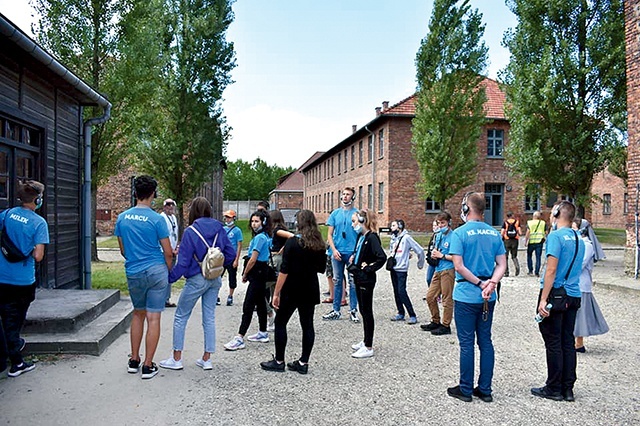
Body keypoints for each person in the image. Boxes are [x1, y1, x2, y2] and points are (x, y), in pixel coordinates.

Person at [159, 197, 236, 371]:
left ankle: (177, 358)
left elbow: (183, 263)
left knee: (181, 316)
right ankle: (207, 358)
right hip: (214, 279)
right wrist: (219, 266)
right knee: (208, 317)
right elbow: (230, 255)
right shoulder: (219, 228)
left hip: (196, 279)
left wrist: (169, 278)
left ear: (193, 211)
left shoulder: (190, 231)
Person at [447, 192, 506, 403]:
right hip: (488, 298)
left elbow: (459, 266)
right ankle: (485, 389)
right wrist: (491, 283)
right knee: (485, 341)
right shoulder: (494, 233)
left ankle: (465, 389)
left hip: (466, 294)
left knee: (466, 343)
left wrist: (481, 283)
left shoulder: (459, 233)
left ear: (466, 209)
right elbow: (502, 264)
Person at [114, 175, 173, 379]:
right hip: (156, 270)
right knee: (153, 317)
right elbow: (167, 251)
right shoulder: (157, 219)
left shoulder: (122, 217)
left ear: (135, 193)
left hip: (134, 271)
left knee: (138, 313)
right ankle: (148, 365)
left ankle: (134, 360)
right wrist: (168, 269)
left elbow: (123, 250)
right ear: (153, 194)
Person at [259, 210, 326, 373]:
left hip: (292, 287)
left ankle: (279, 360)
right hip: (310, 287)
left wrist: (276, 293)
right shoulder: (318, 244)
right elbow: (321, 268)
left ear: (299, 224)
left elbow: (284, 270)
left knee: (281, 322)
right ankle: (304, 362)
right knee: (307, 325)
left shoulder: (293, 242)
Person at [531, 200, 584, 402]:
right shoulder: (578, 237)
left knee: (553, 341)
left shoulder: (555, 237)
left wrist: (543, 299)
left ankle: (553, 387)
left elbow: (551, 270)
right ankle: (567, 387)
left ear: (556, 213)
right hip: (573, 295)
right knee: (567, 341)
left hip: (556, 294)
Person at [0, 180, 49, 377]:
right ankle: (16, 362)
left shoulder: (7, 214)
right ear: (37, 200)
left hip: (2, 276)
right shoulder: (39, 223)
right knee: (14, 320)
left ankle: (10, 350)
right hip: (22, 280)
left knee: (5, 317)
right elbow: (38, 255)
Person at [224, 210, 273, 351]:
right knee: (260, 303)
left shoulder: (260, 238)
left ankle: (240, 337)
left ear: (263, 222)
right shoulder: (264, 236)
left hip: (257, 272)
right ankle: (263, 332)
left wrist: (245, 274)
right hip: (260, 272)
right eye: (252, 221)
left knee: (248, 306)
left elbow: (253, 259)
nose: (253, 224)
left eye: (256, 221)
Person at [349, 209, 386, 359]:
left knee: (367, 311)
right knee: (363, 310)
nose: (353, 225)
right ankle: (365, 340)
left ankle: (368, 346)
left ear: (363, 221)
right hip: (358, 277)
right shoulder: (361, 236)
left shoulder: (372, 237)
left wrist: (369, 268)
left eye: (354, 221)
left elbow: (381, 257)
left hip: (366, 279)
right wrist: (354, 258)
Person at [572, 218, 609, 353]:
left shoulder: (587, 245)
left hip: (582, 284)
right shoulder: (577, 243)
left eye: (574, 229)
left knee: (581, 314)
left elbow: (580, 264)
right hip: (573, 283)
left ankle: (579, 343)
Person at [323, 187, 359, 322]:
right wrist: (333, 250)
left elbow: (361, 235)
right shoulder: (335, 214)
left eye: (348, 194)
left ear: (353, 197)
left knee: (353, 282)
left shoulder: (357, 214)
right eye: (343, 194)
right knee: (337, 281)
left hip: (351, 253)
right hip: (337, 252)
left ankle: (353, 310)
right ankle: (336, 310)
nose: (345, 197)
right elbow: (329, 235)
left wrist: (355, 253)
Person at [422, 211, 456, 336]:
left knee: (447, 299)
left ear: (449, 223)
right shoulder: (438, 235)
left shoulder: (453, 237)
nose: (441, 225)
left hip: (448, 269)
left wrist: (442, 256)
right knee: (430, 296)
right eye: (439, 223)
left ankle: (446, 325)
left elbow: (456, 257)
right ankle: (435, 320)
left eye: (443, 223)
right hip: (438, 269)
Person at [388, 219, 424, 325]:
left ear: (400, 226)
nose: (391, 228)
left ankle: (412, 314)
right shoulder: (393, 238)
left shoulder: (407, 238)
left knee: (401, 291)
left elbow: (420, 250)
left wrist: (420, 263)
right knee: (396, 291)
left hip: (401, 269)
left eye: (393, 225)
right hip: (393, 268)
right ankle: (400, 312)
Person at [266, 210, 294, 331]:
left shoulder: (277, 230)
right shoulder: (278, 230)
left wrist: (283, 249)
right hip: (276, 258)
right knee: (275, 290)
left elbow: (292, 237)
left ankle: (272, 314)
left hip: (276, 259)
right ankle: (277, 318)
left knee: (265, 288)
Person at [160, 198, 179, 307]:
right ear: (164, 207)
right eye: (168, 205)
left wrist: (176, 247)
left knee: (170, 276)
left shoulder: (173, 218)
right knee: (164, 275)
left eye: (172, 205)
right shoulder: (162, 218)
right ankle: (161, 299)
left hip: (173, 251)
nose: (170, 207)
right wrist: (169, 249)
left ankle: (166, 299)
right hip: (165, 251)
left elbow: (174, 234)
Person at [223, 210, 243, 306]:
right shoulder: (223, 229)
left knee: (232, 277)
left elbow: (239, 245)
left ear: (233, 218)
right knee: (217, 277)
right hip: (223, 257)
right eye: (226, 217)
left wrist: (236, 259)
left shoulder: (237, 231)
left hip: (231, 258)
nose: (227, 219)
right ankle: (216, 296)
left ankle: (230, 296)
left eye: (229, 217)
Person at [525, 211, 547, 277]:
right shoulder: (543, 223)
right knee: (538, 257)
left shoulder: (530, 222)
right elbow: (546, 232)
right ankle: (537, 272)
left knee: (529, 256)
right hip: (539, 241)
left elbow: (528, 232)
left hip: (531, 242)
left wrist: (526, 241)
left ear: (533, 216)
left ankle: (530, 271)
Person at [500, 211, 521, 277]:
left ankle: (506, 272)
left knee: (506, 257)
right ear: (512, 215)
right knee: (514, 256)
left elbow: (502, 232)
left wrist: (501, 239)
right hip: (515, 240)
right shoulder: (517, 222)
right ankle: (517, 267)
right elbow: (520, 232)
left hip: (507, 240)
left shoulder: (505, 223)